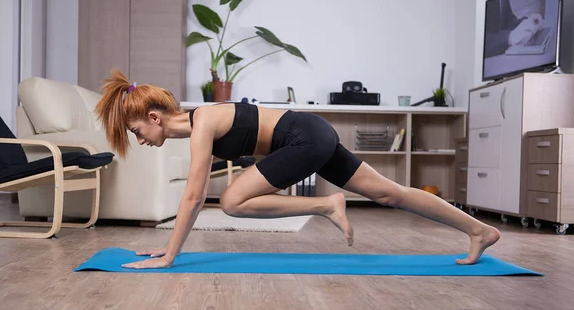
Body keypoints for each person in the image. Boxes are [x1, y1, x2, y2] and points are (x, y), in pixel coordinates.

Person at [95, 69, 500, 270]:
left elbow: (195, 195)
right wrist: (169, 246)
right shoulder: (201, 125)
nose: (141, 141)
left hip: (304, 137)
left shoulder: (203, 122)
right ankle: (479, 230)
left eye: (136, 132)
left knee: (233, 200)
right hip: (311, 132)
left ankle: (326, 205)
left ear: (153, 116)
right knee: (387, 192)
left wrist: (170, 257)